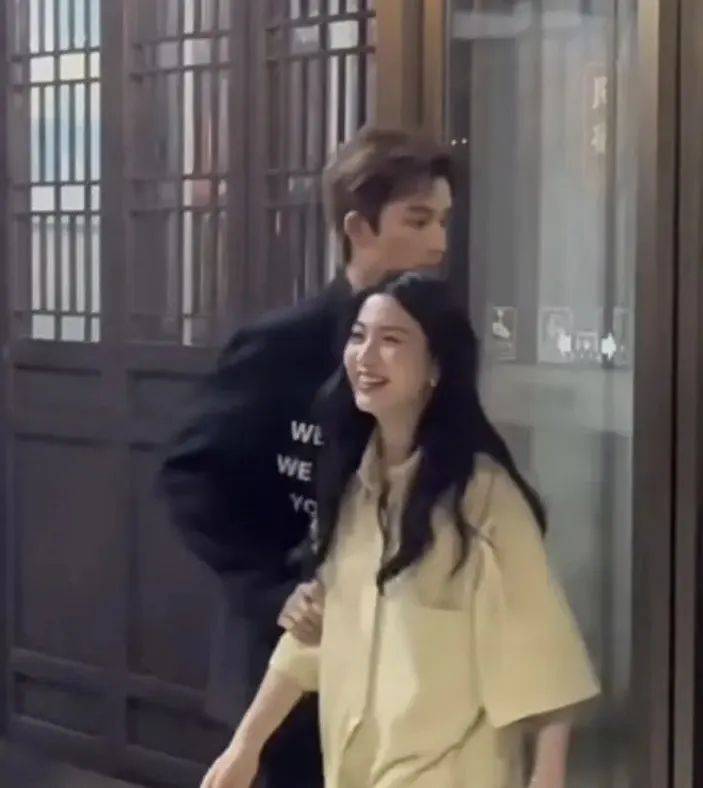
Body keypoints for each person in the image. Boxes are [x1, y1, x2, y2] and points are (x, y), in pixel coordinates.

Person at [200, 273, 600, 788]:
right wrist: (246, 745)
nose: (366, 357)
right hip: (355, 769)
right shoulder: (353, 487)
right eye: (358, 336)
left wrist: (547, 776)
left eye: (391, 340)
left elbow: (544, 652)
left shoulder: (483, 498)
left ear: (436, 366)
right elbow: (311, 639)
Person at [158, 130, 455, 787]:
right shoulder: (280, 346)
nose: (438, 241)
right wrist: (270, 588)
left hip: (396, 657)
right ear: (358, 228)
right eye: (418, 221)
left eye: (443, 220)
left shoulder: (440, 350)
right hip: (291, 659)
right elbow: (190, 478)